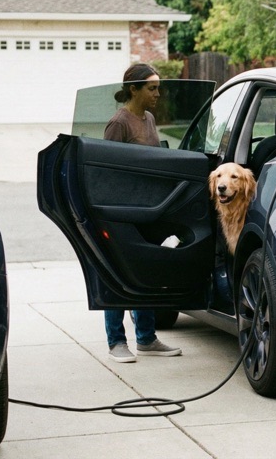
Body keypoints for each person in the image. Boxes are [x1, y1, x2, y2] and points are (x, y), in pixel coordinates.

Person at [102, 63, 182, 363]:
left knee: (146, 272)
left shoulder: (148, 118)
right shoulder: (118, 123)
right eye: (152, 88)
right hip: (124, 212)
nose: (157, 94)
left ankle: (146, 338)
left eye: (158, 87)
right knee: (119, 274)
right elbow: (106, 170)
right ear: (133, 89)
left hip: (149, 209)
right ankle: (116, 342)